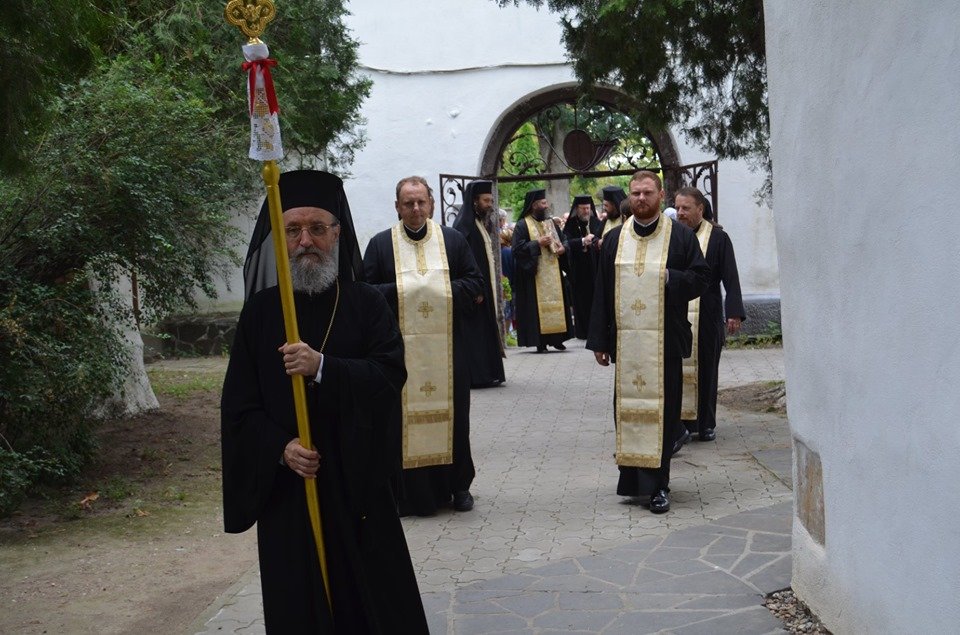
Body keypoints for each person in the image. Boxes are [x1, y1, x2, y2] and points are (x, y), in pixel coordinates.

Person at [221, 170, 428, 633]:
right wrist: (280, 448)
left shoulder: (367, 304)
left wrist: (321, 367)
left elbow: (390, 375)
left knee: (375, 606)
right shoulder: (259, 315)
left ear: (337, 233)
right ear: (280, 237)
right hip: (293, 494)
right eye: (293, 230)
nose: (305, 241)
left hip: (359, 488)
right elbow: (238, 407)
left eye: (317, 228)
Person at [587, 170, 710, 514]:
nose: (641, 199)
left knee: (664, 413)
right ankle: (632, 481)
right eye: (636, 193)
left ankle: (659, 486)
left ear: (661, 196)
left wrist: (671, 277)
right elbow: (601, 291)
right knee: (626, 410)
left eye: (647, 193)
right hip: (626, 345)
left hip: (665, 342)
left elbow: (701, 279)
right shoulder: (613, 239)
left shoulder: (682, 237)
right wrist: (599, 340)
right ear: (630, 196)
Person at [363, 176, 484, 516]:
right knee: (398, 421)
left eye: (421, 202)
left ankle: (458, 486)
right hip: (397, 352)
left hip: (447, 349)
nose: (415, 209)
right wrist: (409, 290)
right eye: (408, 203)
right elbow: (366, 293)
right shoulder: (380, 244)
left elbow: (475, 283)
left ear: (431, 203)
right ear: (397, 206)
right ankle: (405, 493)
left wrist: (435, 288)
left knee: (456, 416)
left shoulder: (454, 240)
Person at [674, 186, 746, 442]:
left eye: (686, 208)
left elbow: (731, 276)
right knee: (677, 369)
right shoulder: (673, 235)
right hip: (678, 314)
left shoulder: (718, 238)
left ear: (700, 209)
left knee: (706, 368)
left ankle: (705, 423)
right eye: (678, 207)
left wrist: (734, 312)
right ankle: (679, 423)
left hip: (708, 313)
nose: (680, 213)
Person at [451, 180, 506, 387]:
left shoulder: (478, 223)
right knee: (475, 334)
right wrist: (475, 289)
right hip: (473, 293)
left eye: (491, 200)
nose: (490, 204)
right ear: (474, 201)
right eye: (486, 200)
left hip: (483, 290)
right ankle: (477, 376)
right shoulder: (464, 226)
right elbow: (463, 263)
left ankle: (489, 373)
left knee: (484, 332)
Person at [511, 188, 573, 352]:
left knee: (558, 304)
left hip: (554, 270)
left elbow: (564, 240)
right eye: (543, 203)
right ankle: (541, 342)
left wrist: (563, 249)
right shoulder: (522, 225)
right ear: (534, 205)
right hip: (535, 275)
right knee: (536, 310)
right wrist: (537, 243)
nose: (546, 206)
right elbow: (516, 249)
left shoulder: (550, 222)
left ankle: (558, 338)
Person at [562, 194, 601, 339]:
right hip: (579, 272)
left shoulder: (596, 222)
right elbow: (566, 244)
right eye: (583, 208)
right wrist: (582, 241)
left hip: (595, 270)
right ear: (577, 209)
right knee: (581, 303)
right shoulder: (571, 225)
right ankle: (583, 331)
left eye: (588, 208)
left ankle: (597, 330)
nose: (586, 211)